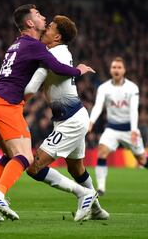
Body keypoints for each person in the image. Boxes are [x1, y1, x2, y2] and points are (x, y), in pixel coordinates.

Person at [0, 4, 95, 222]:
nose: (43, 18)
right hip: (5, 105)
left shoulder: (16, 44)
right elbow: (55, 71)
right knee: (25, 158)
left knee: (10, 155)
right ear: (30, 23)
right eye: (39, 16)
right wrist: (79, 70)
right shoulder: (39, 47)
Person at [24, 15, 109, 222]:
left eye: (50, 28)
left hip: (70, 120)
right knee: (75, 168)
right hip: (73, 117)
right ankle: (96, 208)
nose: (45, 30)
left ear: (58, 36)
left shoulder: (53, 54)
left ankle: (85, 195)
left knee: (35, 167)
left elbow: (31, 88)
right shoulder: (59, 52)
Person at [89, 57, 148, 196]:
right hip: (112, 128)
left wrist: (133, 130)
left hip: (129, 129)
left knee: (142, 159)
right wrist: (91, 121)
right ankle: (101, 188)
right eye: (114, 67)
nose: (116, 70)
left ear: (124, 70)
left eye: (119, 67)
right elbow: (98, 106)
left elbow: (133, 110)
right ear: (110, 70)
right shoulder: (104, 88)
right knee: (101, 151)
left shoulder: (132, 88)